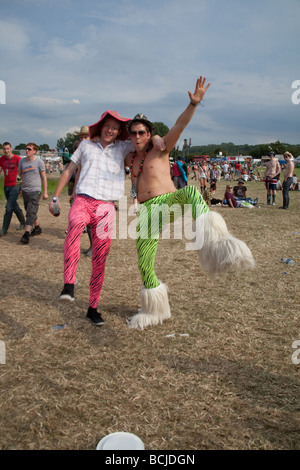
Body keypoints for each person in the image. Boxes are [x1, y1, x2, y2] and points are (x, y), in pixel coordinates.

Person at [124, 76, 255, 330]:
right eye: (133, 132)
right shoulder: (129, 156)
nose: (137, 135)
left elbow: (178, 126)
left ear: (149, 133)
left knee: (193, 194)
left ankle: (218, 246)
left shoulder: (160, 149)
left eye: (142, 132)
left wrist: (194, 104)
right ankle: (155, 309)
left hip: (167, 200)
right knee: (143, 261)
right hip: (146, 212)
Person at [49, 110, 164, 326]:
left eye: (115, 127)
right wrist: (55, 197)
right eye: (107, 125)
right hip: (83, 200)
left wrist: (156, 137)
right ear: (100, 127)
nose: (110, 130)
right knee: (74, 225)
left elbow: (145, 142)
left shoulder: (123, 147)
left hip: (106, 207)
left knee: (100, 260)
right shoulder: (85, 146)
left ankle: (93, 308)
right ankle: (69, 285)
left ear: (119, 131)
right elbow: (68, 170)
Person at [18, 143, 48, 244]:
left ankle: (26, 234)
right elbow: (19, 174)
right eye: (26, 149)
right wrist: (20, 187)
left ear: (34, 151)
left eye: (29, 149)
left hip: (35, 190)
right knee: (29, 210)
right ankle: (37, 228)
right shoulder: (22, 161)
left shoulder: (39, 162)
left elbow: (44, 177)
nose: (26, 150)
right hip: (25, 190)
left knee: (30, 212)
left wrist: (45, 192)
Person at [0, 142, 25, 236]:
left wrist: (22, 186)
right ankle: (23, 222)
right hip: (6, 186)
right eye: (4, 149)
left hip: (15, 186)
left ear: (11, 148)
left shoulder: (17, 159)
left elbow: (22, 172)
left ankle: (4, 229)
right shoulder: (2, 159)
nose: (6, 151)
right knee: (13, 205)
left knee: (8, 208)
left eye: (7, 148)